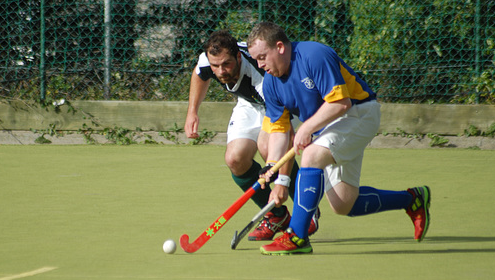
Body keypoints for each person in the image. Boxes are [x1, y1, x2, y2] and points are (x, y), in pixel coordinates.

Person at [246, 22, 431, 255]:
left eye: (262, 57)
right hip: (327, 125)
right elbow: (280, 131)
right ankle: (412, 200)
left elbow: (341, 103)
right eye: (256, 60)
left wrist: (306, 129)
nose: (260, 65)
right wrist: (276, 173)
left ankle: (296, 237)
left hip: (358, 112)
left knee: (312, 155)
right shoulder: (271, 82)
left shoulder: (314, 55)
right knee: (344, 203)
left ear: (280, 47)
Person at [185, 30, 319, 241]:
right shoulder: (210, 59)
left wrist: (280, 179)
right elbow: (200, 73)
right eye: (216, 66)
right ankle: (276, 216)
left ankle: (306, 210)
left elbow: (285, 132)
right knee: (235, 159)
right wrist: (192, 111)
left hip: (279, 103)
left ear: (238, 56)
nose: (220, 71)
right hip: (249, 104)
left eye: (226, 64)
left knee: (268, 149)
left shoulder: (262, 74)